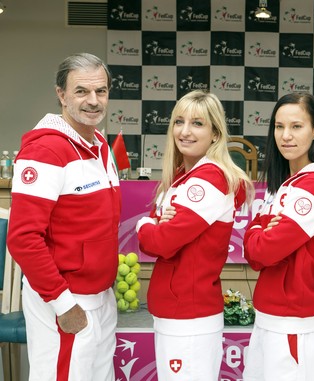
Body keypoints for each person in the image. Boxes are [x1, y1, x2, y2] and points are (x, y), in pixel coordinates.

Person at [7, 53, 121, 380]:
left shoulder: (99, 144)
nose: (93, 101)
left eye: (101, 91)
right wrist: (63, 305)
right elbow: (23, 239)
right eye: (82, 91)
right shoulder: (45, 151)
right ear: (61, 94)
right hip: (66, 301)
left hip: (99, 297)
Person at [135, 90, 253, 380]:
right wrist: (156, 224)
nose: (184, 131)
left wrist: (144, 225)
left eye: (197, 124)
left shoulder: (210, 177)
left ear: (215, 134)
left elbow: (160, 242)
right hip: (176, 312)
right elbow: (159, 236)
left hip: (189, 315)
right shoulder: (180, 176)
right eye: (179, 121)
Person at [242, 93, 314, 381]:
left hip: (295, 328)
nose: (286, 136)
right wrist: (260, 228)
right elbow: (252, 251)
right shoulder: (282, 185)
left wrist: (258, 228)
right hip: (269, 320)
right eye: (279, 127)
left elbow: (263, 251)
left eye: (296, 126)